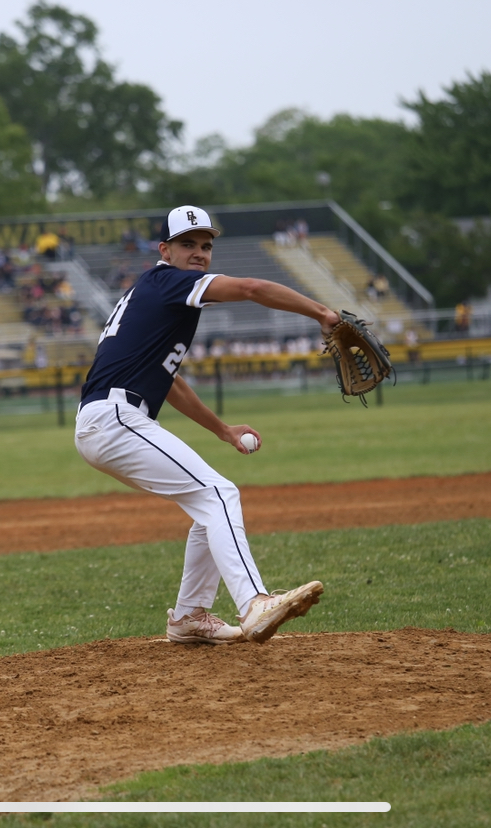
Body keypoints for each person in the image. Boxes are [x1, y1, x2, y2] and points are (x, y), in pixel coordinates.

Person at [75, 205, 329, 646]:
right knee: (218, 494)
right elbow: (251, 287)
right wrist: (323, 313)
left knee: (206, 507)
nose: (198, 253)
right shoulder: (169, 281)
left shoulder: (156, 292)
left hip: (110, 420)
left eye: (206, 246)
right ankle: (255, 604)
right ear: (164, 250)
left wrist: (223, 431)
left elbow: (169, 383)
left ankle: (190, 615)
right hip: (115, 418)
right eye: (187, 244)